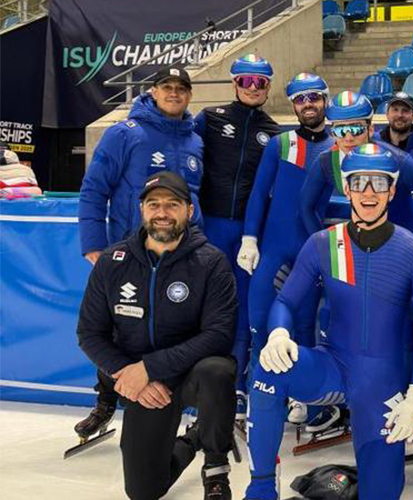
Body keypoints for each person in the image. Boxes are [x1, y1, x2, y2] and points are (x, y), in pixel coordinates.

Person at [243, 144, 413, 500]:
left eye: (379, 183)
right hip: (332, 364)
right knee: (268, 370)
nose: (369, 192)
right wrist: (279, 333)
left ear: (392, 190)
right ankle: (261, 489)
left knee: (381, 494)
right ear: (346, 189)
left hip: (382, 384)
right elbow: (285, 301)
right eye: (360, 182)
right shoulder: (323, 243)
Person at [77, 171, 236, 500]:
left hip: (191, 374)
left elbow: (219, 335)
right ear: (142, 210)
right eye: (154, 204)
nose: (162, 213)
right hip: (144, 382)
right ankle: (194, 438)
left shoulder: (211, 262)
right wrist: (130, 374)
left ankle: (216, 468)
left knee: (217, 371)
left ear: (189, 211)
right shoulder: (113, 262)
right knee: (143, 491)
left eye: (172, 204)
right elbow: (89, 333)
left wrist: (150, 367)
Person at [76, 66, 204, 445]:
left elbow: (196, 199)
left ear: (189, 95)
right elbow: (94, 188)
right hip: (130, 251)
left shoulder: (195, 140)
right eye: (167, 86)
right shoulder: (124, 133)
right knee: (118, 328)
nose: (174, 93)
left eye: (181, 88)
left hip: (179, 253)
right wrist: (94, 244)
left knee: (176, 326)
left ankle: (180, 405)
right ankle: (105, 401)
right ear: (152, 91)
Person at [237, 72, 334, 426]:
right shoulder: (279, 144)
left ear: (325, 100)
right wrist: (250, 238)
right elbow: (258, 193)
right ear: (293, 105)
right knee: (262, 326)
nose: (308, 104)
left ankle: (306, 399)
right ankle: (261, 400)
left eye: (314, 97)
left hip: (313, 253)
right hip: (274, 251)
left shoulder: (339, 146)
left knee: (306, 328)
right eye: (300, 99)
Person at [193, 54, 280, 421]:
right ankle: (199, 387)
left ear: (268, 87)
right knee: (203, 305)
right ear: (234, 84)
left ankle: (238, 387)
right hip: (210, 226)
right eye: (246, 81)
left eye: (260, 82)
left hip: (249, 233)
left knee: (244, 308)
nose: (253, 88)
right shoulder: (209, 118)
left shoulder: (275, 133)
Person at [300, 90, 413, 240]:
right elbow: (306, 207)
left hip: (406, 234)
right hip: (366, 238)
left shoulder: (397, 159)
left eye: (356, 129)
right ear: (333, 133)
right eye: (341, 130)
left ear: (370, 129)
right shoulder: (326, 162)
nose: (348, 138)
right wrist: (321, 243)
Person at [377, 91, 413, 163]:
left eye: (405, 110)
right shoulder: (376, 145)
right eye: (395, 110)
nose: (399, 115)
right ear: (387, 114)